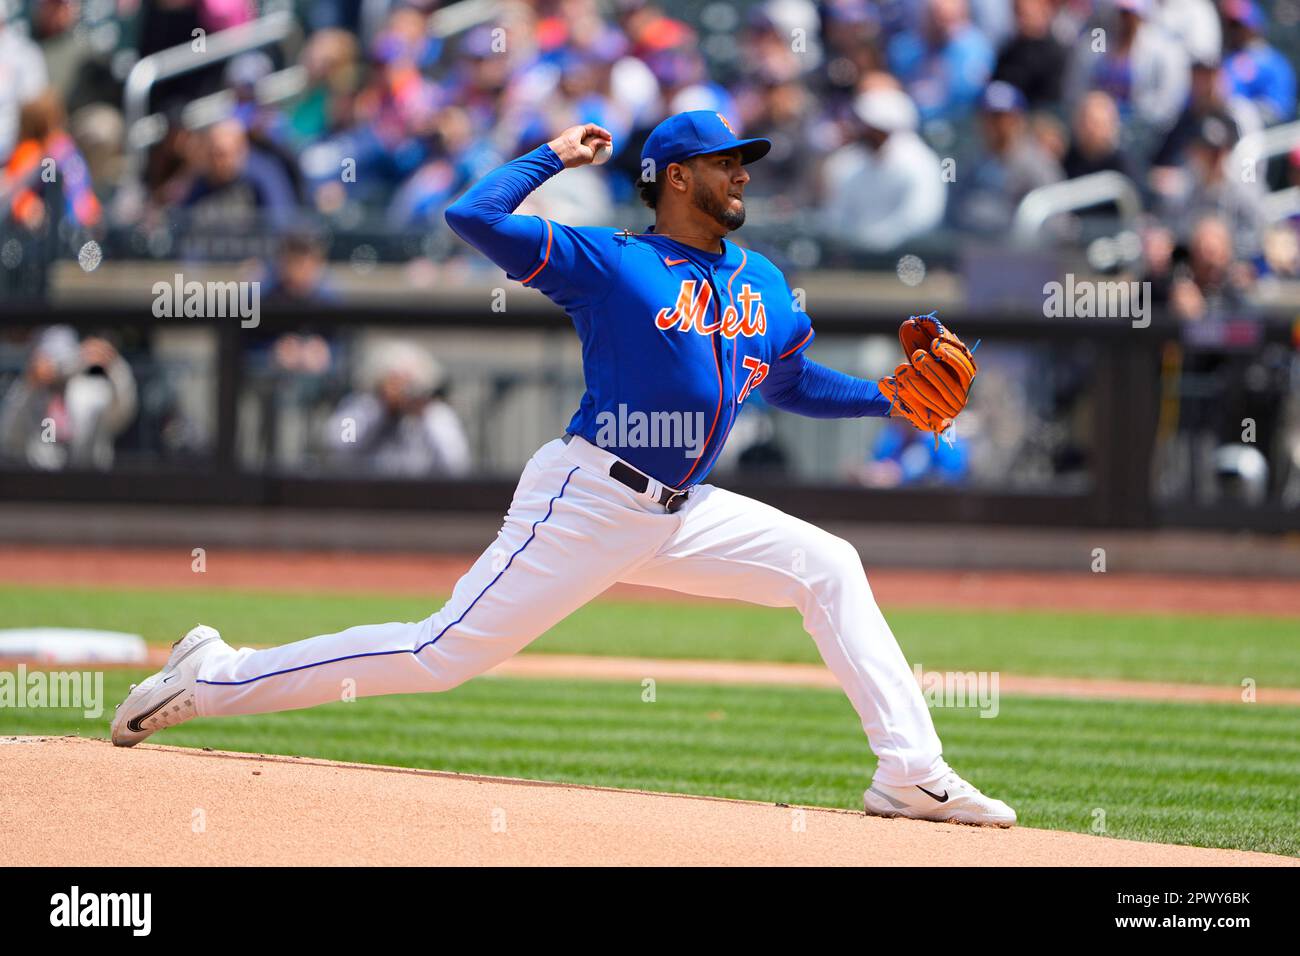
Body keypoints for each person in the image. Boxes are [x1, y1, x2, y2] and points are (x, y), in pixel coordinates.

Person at [110, 111, 1014, 828]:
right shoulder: (611, 260)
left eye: (748, 160)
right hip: (586, 497)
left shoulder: (765, 281)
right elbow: (472, 218)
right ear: (674, 177)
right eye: (725, 160)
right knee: (440, 654)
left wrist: (885, 400)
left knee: (830, 564)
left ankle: (911, 775)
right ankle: (214, 674)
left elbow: (790, 382)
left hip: (683, 509)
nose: (743, 172)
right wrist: (550, 155)